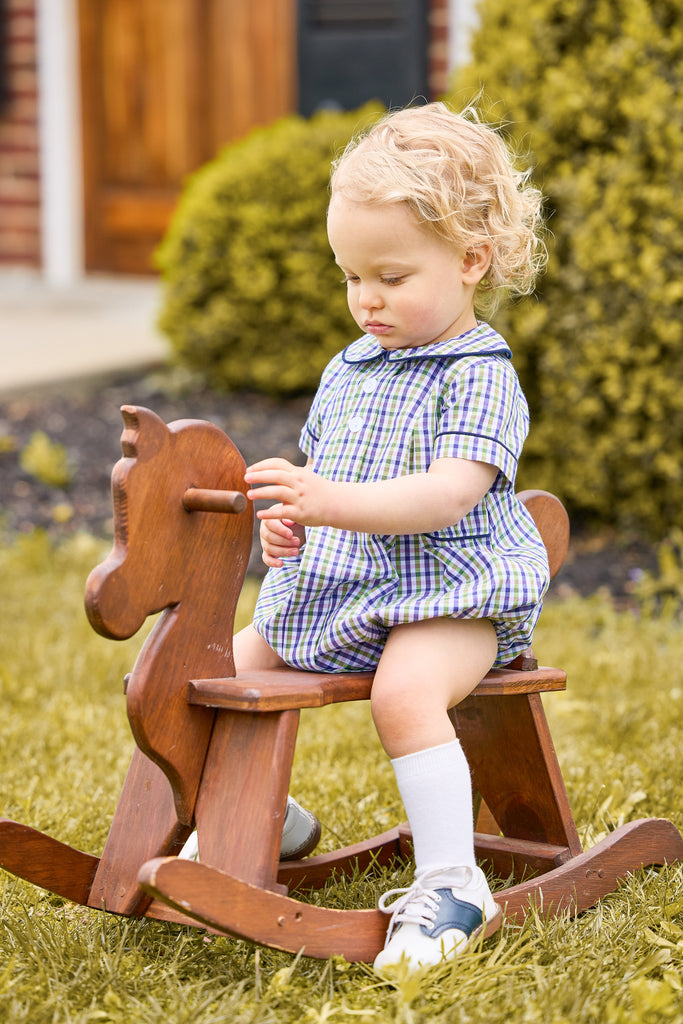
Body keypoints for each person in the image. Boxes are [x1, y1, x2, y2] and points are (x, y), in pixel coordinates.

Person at [239, 101, 549, 971]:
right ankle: (260, 818)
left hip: (451, 594)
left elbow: (448, 496)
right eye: (349, 276)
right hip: (343, 588)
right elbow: (321, 478)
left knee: (403, 694)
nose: (365, 298)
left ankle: (452, 881)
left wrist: (327, 498)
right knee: (199, 672)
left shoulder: (479, 375)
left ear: (470, 260)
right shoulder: (349, 368)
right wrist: (291, 527)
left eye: (390, 276)